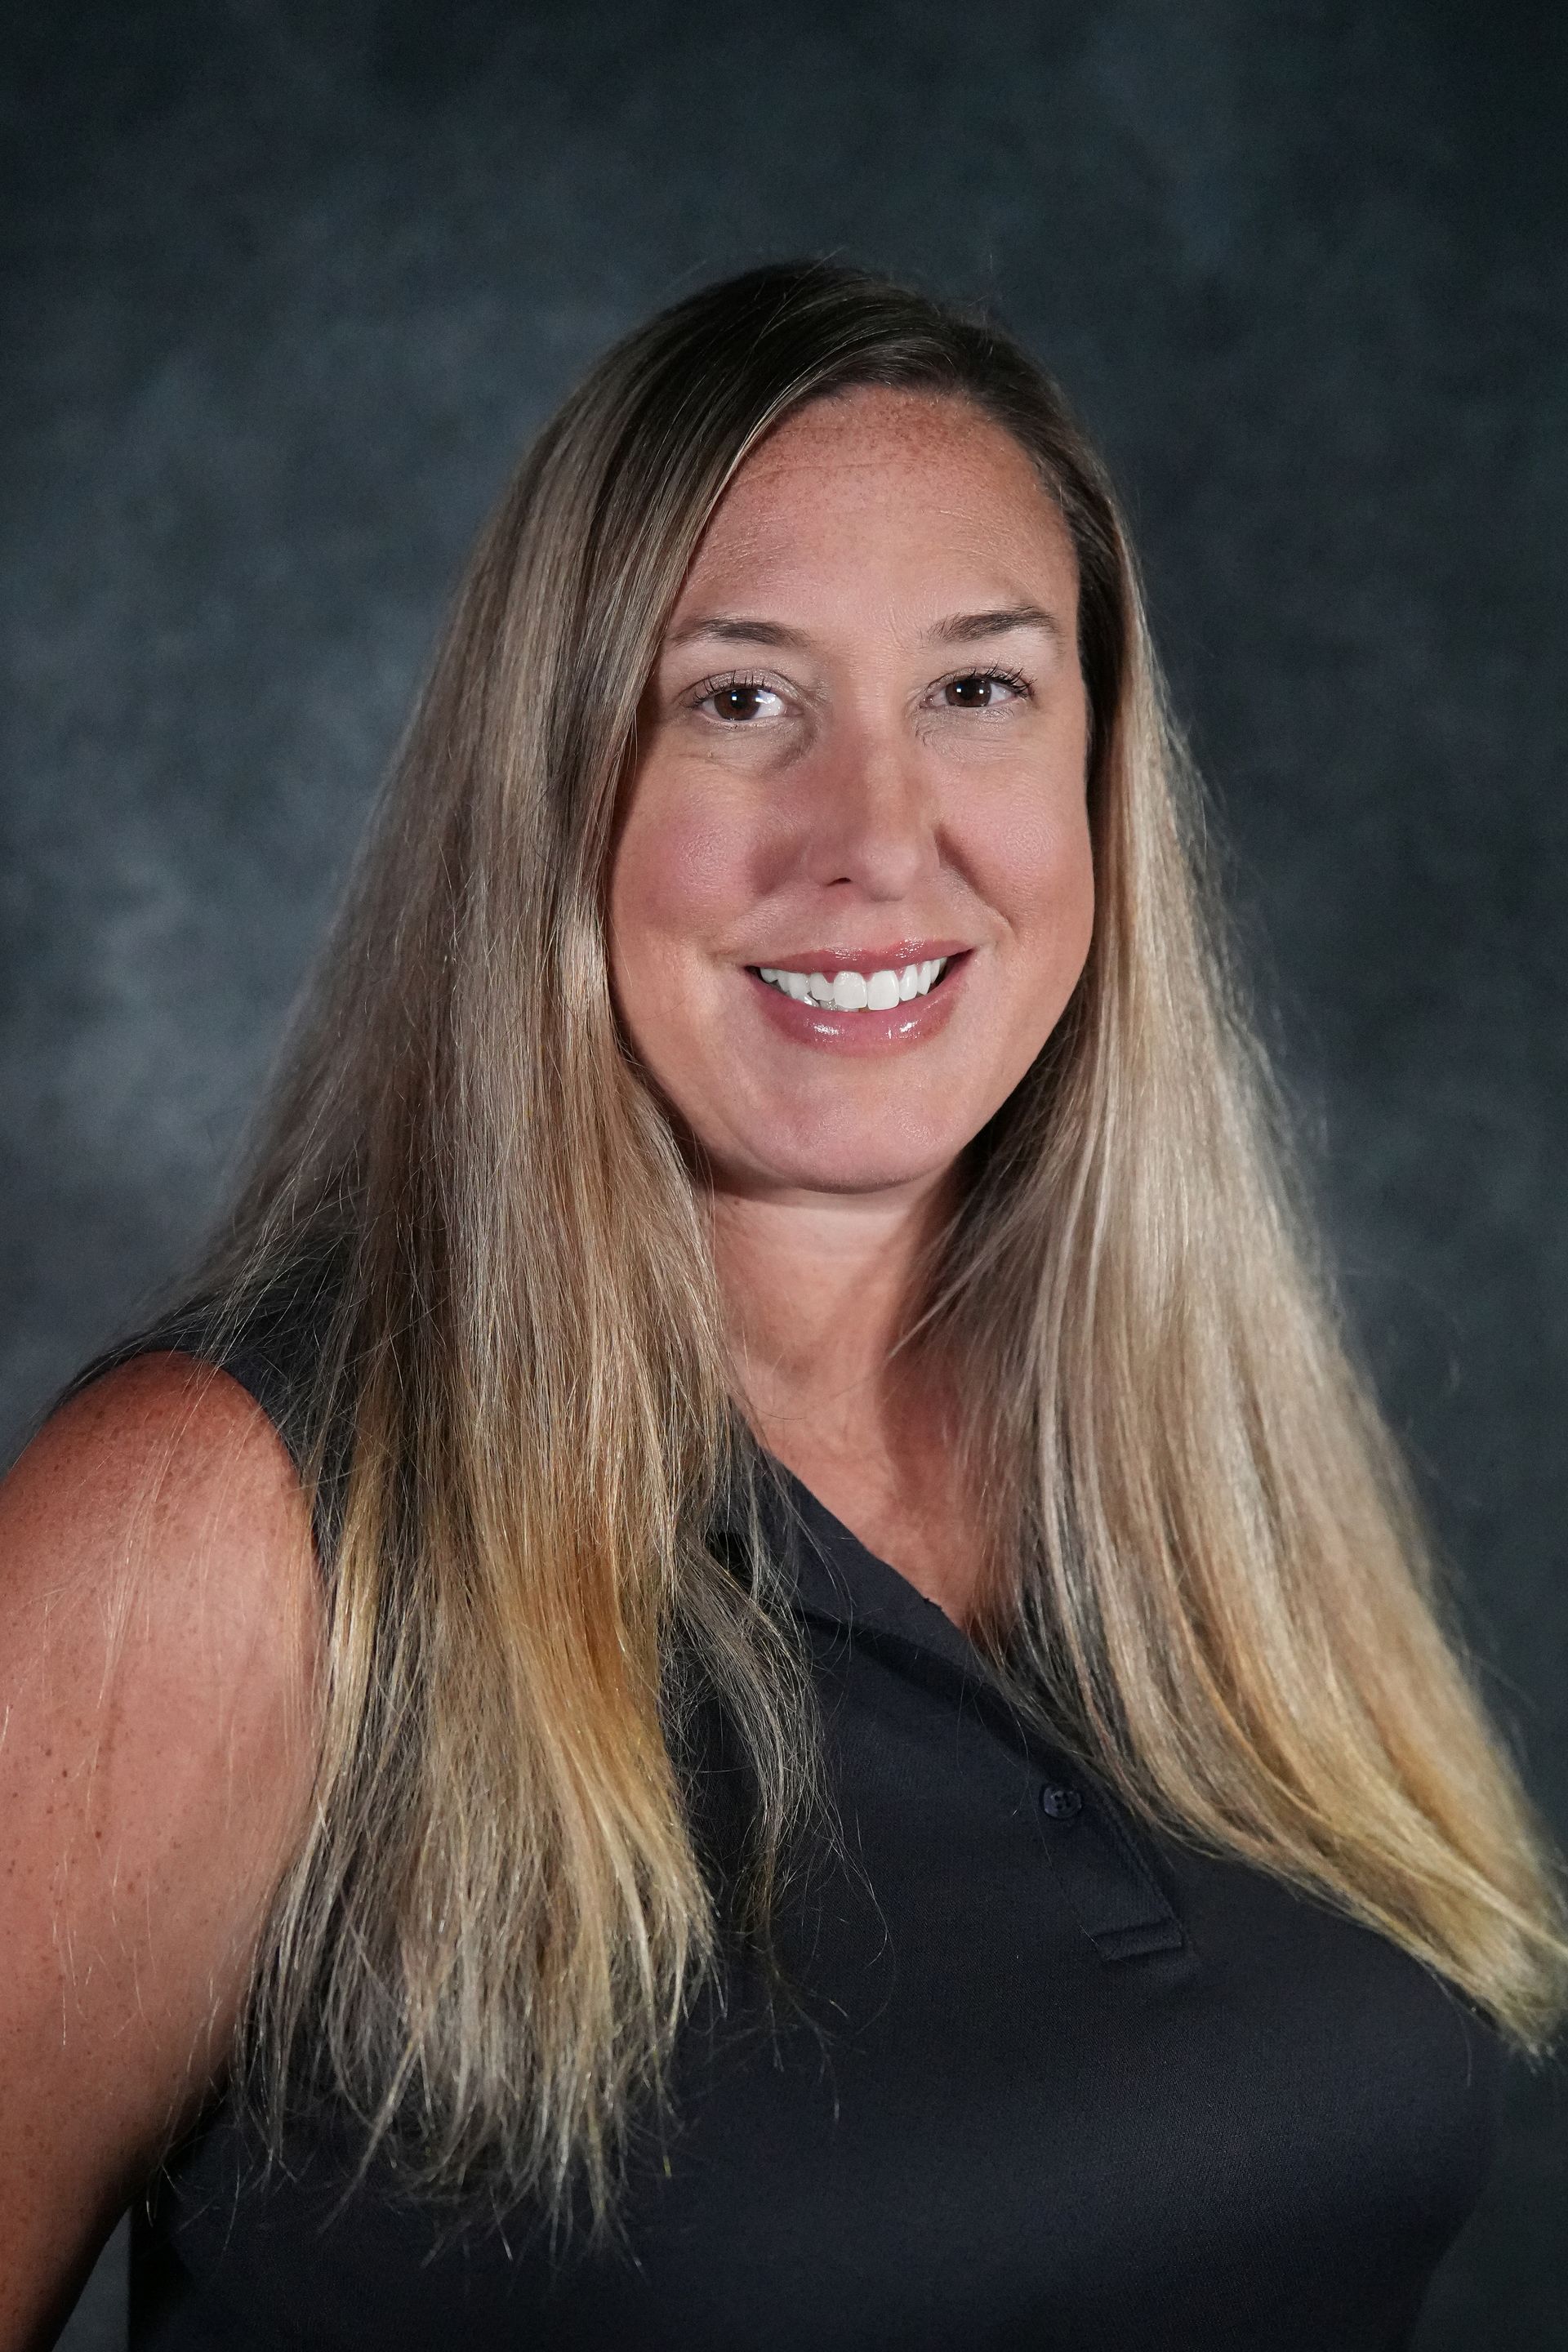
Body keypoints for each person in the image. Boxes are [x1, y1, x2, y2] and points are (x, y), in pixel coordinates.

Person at [2, 261, 1563, 2352]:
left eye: (981, 690)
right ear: (558, 784)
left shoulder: (1192, 1477)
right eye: (740, 699)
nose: (876, 839)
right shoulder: (220, 1529)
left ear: (1105, 783)